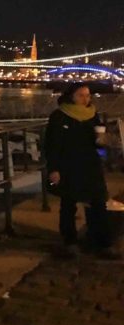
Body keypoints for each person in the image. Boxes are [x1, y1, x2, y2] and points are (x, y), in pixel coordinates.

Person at [44, 83, 119, 259]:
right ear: (71, 96)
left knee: (99, 202)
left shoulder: (93, 115)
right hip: (68, 166)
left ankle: (104, 243)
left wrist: (101, 142)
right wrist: (54, 169)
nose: (86, 99)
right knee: (68, 205)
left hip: (90, 165)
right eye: (81, 95)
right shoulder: (59, 116)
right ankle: (70, 242)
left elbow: (98, 141)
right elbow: (52, 145)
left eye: (88, 95)